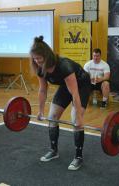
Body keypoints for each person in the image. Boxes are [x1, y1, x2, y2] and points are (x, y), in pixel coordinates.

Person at [30, 36, 91, 171]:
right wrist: (40, 111)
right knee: (52, 117)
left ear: (47, 55)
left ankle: (78, 157)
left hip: (81, 85)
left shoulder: (64, 66)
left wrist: (80, 116)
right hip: (65, 86)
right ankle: (53, 150)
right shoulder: (40, 69)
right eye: (34, 58)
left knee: (76, 119)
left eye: (39, 58)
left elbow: (74, 93)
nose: (37, 61)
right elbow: (42, 90)